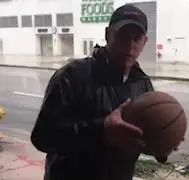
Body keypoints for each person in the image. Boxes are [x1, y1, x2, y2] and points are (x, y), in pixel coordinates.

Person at [30, 4, 177, 180]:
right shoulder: (72, 76)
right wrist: (101, 129)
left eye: (136, 38)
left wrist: (164, 141)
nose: (130, 45)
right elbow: (42, 137)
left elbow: (145, 137)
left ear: (144, 42)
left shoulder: (142, 84)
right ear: (108, 34)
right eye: (122, 35)